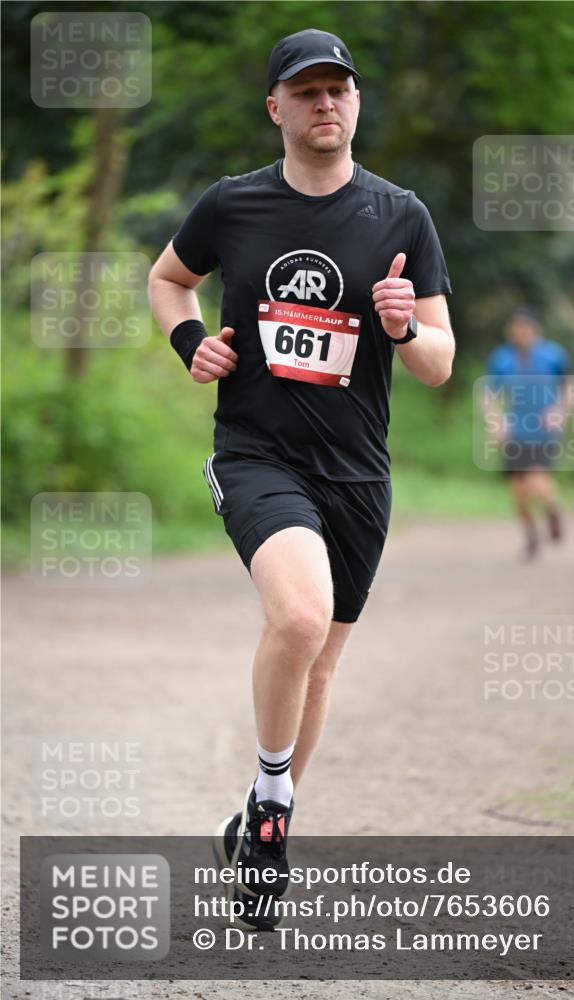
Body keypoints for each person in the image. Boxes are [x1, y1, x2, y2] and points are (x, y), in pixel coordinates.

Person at [148, 28, 455, 928]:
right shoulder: (233, 204)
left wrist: (403, 327)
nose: (326, 104)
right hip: (257, 453)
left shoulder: (400, 215)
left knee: (318, 665)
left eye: (339, 90)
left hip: (357, 472)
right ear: (275, 107)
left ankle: (250, 812)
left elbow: (438, 362)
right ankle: (277, 811)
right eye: (306, 91)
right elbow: (170, 279)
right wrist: (187, 341)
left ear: (357, 104)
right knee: (297, 616)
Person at [484, 308, 571, 560]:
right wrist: (496, 422)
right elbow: (489, 394)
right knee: (518, 492)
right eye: (516, 328)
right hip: (515, 431)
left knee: (537, 480)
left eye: (525, 329)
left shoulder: (554, 356)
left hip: (543, 430)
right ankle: (532, 537)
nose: (520, 333)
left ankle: (553, 509)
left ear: (535, 330)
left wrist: (560, 411)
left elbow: (571, 386)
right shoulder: (501, 359)